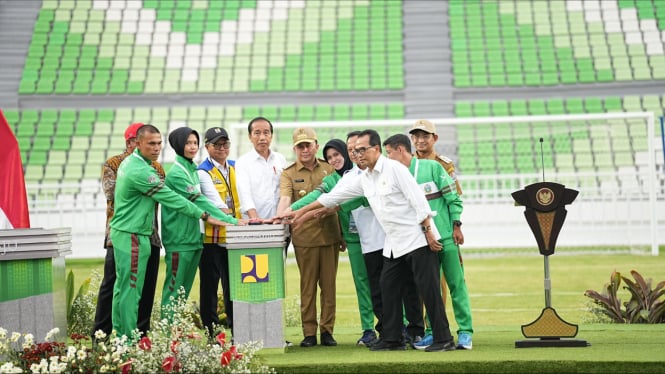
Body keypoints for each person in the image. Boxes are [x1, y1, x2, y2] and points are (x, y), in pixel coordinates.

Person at [284, 129, 456, 352]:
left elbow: (418, 200)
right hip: (394, 243)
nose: (358, 154)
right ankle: (392, 338)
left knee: (428, 289)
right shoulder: (363, 178)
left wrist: (428, 231)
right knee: (387, 286)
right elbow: (331, 198)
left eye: (362, 150)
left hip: (419, 238)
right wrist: (298, 214)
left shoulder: (395, 169)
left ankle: (444, 339)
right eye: (354, 151)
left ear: (376, 149)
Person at [110, 124, 230, 339]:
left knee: (125, 288)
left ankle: (122, 337)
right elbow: (172, 198)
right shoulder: (141, 170)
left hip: (134, 233)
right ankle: (128, 340)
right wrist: (205, 215)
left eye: (158, 144)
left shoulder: (143, 164)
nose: (156, 148)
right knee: (131, 289)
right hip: (133, 234)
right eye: (151, 144)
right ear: (137, 144)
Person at [383, 134, 473, 350]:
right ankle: (433, 332)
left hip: (446, 237)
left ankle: (465, 332)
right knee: (429, 289)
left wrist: (456, 225)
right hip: (421, 243)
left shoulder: (432, 167)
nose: (387, 158)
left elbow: (453, 198)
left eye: (389, 153)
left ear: (401, 150)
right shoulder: (394, 175)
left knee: (456, 284)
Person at [287, 138, 377, 346]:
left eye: (337, 154)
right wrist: (290, 213)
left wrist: (337, 208)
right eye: (330, 157)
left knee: (384, 283)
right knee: (362, 285)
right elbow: (316, 199)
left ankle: (398, 326)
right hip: (354, 238)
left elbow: (361, 200)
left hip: (378, 237)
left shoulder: (365, 173)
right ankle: (368, 329)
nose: (334, 159)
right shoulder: (333, 180)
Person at [160, 127, 246, 322]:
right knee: (174, 291)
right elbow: (201, 201)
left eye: (194, 143)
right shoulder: (179, 173)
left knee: (182, 292)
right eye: (188, 143)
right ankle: (166, 336)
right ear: (178, 145)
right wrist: (232, 220)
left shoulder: (190, 169)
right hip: (179, 239)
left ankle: (173, 336)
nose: (192, 147)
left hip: (193, 238)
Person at [93, 122, 162, 339]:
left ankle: (141, 333)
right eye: (134, 141)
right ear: (131, 141)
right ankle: (102, 334)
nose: (137, 145)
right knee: (113, 284)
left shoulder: (156, 166)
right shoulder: (114, 163)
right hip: (121, 233)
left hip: (150, 232)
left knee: (147, 285)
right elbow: (112, 194)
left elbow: (162, 194)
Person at [276, 128, 343, 347]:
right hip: (305, 238)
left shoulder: (330, 167)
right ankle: (309, 333)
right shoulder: (288, 173)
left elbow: (341, 201)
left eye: (308, 145)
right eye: (300, 146)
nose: (305, 150)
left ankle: (327, 331)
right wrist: (281, 215)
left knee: (329, 287)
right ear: (294, 148)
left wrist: (342, 233)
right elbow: (285, 198)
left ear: (316, 145)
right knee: (307, 288)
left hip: (330, 236)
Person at [409, 119, 463, 318]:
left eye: (425, 136)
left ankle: (437, 325)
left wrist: (455, 228)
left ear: (435, 138)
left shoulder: (444, 165)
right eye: (416, 136)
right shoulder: (406, 164)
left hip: (442, 232)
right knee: (416, 282)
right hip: (415, 234)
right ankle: (419, 329)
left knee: (442, 282)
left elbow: (454, 198)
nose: (420, 140)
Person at [197, 127, 242, 337]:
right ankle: (211, 332)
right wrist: (236, 221)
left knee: (234, 287)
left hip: (234, 237)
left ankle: (237, 330)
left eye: (225, 144)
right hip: (211, 239)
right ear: (207, 147)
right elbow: (215, 205)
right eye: (217, 144)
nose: (222, 148)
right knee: (210, 288)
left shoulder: (235, 167)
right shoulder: (202, 171)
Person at [235, 117, 287, 220]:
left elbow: (285, 190)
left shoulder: (280, 159)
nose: (262, 137)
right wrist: (255, 220)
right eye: (257, 133)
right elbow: (245, 194)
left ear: (271, 136)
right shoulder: (242, 162)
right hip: (255, 223)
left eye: (266, 132)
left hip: (279, 221)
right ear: (250, 137)